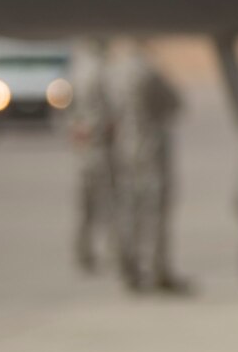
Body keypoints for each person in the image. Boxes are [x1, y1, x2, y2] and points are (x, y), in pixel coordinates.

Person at [110, 40, 190, 295]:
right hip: (150, 149)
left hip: (124, 148)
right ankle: (157, 271)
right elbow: (175, 104)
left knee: (128, 209)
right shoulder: (148, 72)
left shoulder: (114, 72)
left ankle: (128, 268)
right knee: (154, 212)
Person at [67, 37, 115, 274]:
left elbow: (68, 111)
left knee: (85, 206)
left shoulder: (77, 71)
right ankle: (113, 252)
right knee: (109, 203)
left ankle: (83, 252)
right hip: (101, 147)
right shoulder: (102, 71)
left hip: (84, 148)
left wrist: (76, 129)